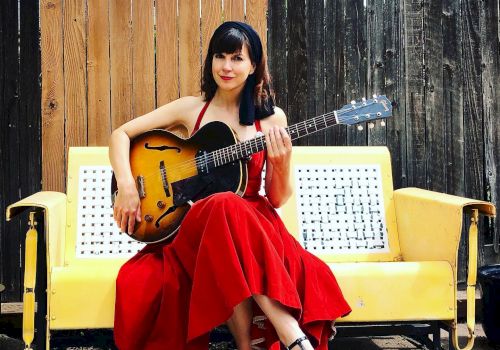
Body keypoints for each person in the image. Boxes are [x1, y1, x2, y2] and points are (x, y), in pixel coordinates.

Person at [109, 21, 351, 350]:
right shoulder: (191, 109)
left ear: (254, 66)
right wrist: (126, 184)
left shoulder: (272, 119)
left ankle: (245, 345)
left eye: (237, 58)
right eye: (219, 56)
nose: (226, 66)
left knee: (227, 210)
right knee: (223, 204)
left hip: (254, 225)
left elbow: (277, 199)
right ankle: (290, 332)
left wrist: (280, 164)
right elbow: (121, 134)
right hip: (194, 227)